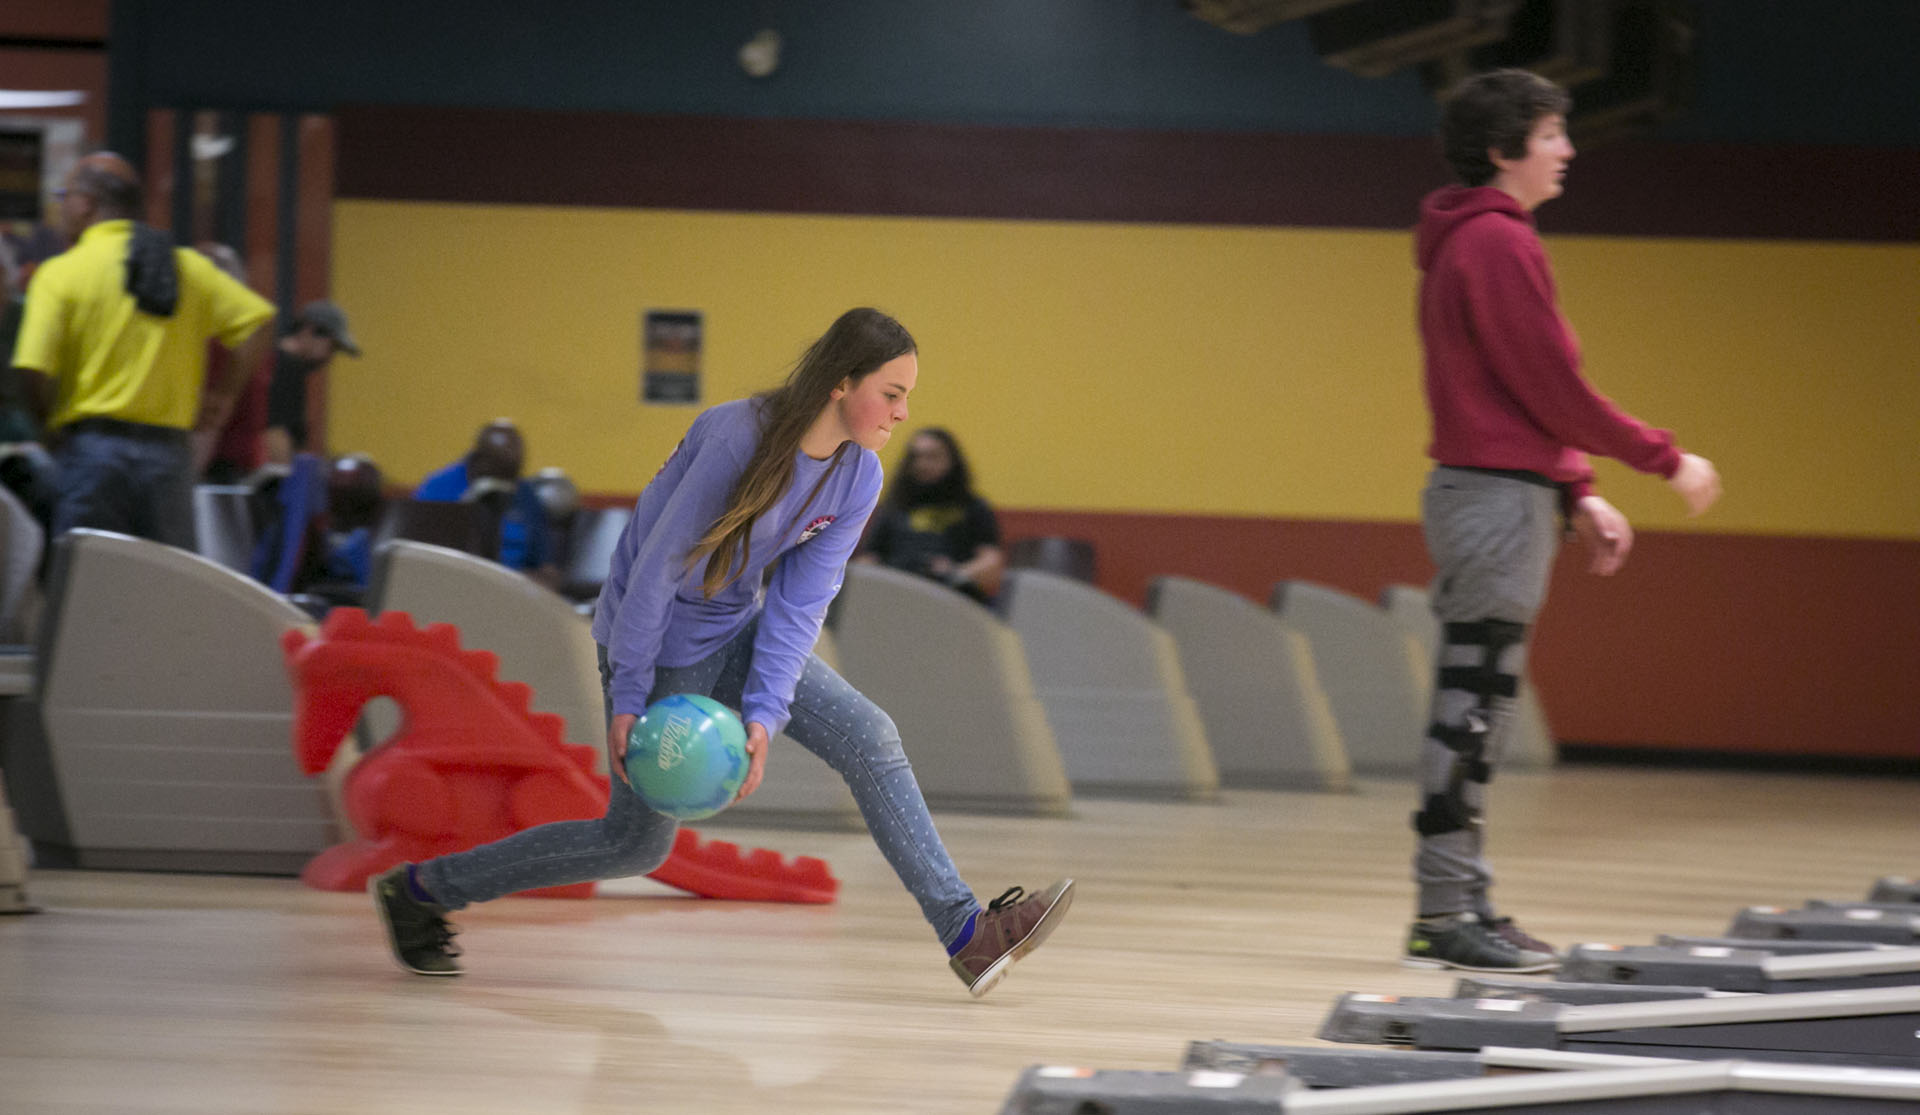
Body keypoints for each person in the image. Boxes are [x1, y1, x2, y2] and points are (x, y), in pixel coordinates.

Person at [370, 308, 1074, 996]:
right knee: (635, 844)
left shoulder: (858, 477)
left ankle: (965, 932)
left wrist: (765, 714)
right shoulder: (737, 434)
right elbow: (653, 569)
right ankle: (422, 890)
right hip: (652, 639)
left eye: (906, 398)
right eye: (890, 394)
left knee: (871, 735)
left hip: (734, 625)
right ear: (840, 382)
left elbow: (800, 605)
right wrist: (627, 694)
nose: (900, 413)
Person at [1404, 69, 1722, 974]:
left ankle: (1464, 901)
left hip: (1507, 493)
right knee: (1470, 713)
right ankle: (1443, 911)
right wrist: (1663, 457)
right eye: (1551, 135)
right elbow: (1553, 387)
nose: (1568, 149)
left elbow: (1520, 393)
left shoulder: (1483, 240)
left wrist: (1577, 490)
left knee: (1483, 712)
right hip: (1492, 502)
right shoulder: (1495, 244)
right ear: (1505, 150)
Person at [9, 153, 275, 548]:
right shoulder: (186, 267)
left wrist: (50, 429)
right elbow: (258, 323)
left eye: (64, 194)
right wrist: (224, 396)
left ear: (85, 203)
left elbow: (32, 371)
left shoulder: (62, 272)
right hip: (170, 456)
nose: (60, 205)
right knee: (167, 586)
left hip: (92, 452)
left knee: (89, 581)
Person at [856, 427, 1004, 605]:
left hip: (953, 599)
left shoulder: (973, 507)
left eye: (932, 456)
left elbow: (991, 563)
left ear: (952, 461)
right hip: (895, 597)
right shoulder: (894, 507)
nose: (923, 464)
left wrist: (955, 572)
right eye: (916, 457)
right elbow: (869, 558)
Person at [414, 419, 555, 578]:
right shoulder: (439, 488)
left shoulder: (525, 494)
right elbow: (421, 558)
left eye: (512, 474)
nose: (509, 482)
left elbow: (543, 564)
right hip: (452, 578)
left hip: (512, 586)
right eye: (501, 470)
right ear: (480, 461)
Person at [260, 299, 361, 467]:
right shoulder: (287, 368)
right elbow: (275, 431)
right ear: (310, 330)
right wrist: (289, 482)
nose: (330, 358)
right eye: (332, 348)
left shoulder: (275, 362)